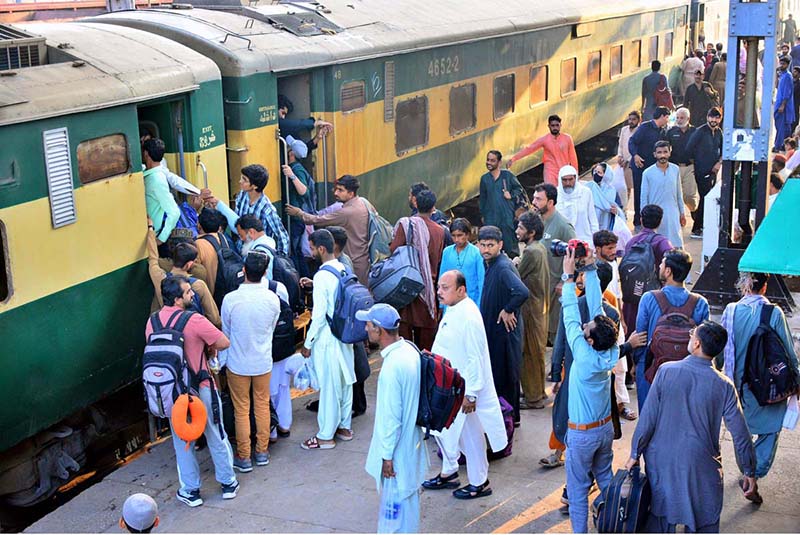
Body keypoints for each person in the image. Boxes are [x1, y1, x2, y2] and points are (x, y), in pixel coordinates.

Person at [626, 320, 758, 532]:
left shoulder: (666, 371)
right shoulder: (724, 385)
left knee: (661, 515)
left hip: (661, 460)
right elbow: (741, 434)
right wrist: (749, 470)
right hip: (701, 463)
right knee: (705, 516)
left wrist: (635, 453)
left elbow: (648, 419)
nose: (689, 337)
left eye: (691, 335)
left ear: (696, 344)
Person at [146, 276, 238, 507]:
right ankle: (228, 484)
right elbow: (224, 342)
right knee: (215, 434)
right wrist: (206, 346)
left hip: (172, 395)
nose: (192, 295)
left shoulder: (153, 322)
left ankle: (191, 491)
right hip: (201, 389)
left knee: (183, 442)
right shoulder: (193, 319)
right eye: (187, 293)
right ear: (177, 299)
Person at [423, 270, 508, 500]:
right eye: (439, 287)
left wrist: (471, 394)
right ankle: (450, 472)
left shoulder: (469, 315)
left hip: (464, 392)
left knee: (470, 437)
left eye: (445, 288)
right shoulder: (453, 308)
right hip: (446, 388)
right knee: (446, 432)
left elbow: (475, 358)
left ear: (461, 290)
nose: (439, 292)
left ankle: (480, 482)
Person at [720, 272, 800, 490]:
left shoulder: (730, 311)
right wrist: (797, 379)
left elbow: (720, 347)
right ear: (765, 287)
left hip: (739, 387)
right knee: (770, 431)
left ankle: (746, 470)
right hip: (769, 388)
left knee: (740, 432)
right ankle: (754, 474)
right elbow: (788, 352)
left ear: (743, 286)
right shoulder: (774, 313)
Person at [560, 247, 619, 534]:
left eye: (587, 331)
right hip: (604, 429)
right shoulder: (611, 349)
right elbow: (596, 312)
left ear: (591, 341)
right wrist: (591, 269)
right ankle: (613, 524)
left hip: (582, 434)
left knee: (578, 491)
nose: (584, 327)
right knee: (605, 479)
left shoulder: (583, 356)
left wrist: (569, 276)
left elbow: (572, 316)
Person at [361, 304, 429, 533]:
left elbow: (391, 418)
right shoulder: (409, 351)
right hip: (411, 449)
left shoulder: (391, 368)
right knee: (408, 513)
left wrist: (386, 456)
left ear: (379, 330)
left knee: (392, 521)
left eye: (369, 325)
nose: (366, 328)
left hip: (397, 457)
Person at [220, 251, 280, 472]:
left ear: (243, 270)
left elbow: (226, 332)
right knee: (262, 406)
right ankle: (262, 452)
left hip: (237, 363)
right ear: (265, 272)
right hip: (263, 361)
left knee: (241, 410)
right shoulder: (272, 299)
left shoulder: (230, 299)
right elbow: (271, 329)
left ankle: (244, 456)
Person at [300, 230, 355, 450]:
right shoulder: (344, 268)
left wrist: (307, 343)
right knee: (344, 382)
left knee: (330, 387)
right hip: (345, 334)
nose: (311, 251)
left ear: (321, 248)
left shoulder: (322, 275)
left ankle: (325, 436)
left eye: (312, 248)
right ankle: (344, 427)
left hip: (328, 338)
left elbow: (320, 314)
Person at [634, 250, 709, 411]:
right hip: (687, 372)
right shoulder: (700, 303)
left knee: (649, 419)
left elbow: (641, 337)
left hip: (651, 369)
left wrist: (638, 366)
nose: (659, 266)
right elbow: (704, 344)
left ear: (668, 271)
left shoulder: (649, 298)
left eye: (662, 263)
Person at [477, 226, 530, 426]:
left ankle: (510, 418)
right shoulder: (490, 264)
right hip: (496, 331)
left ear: (500, 245)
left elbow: (522, 292)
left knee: (507, 375)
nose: (486, 249)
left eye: (490, 245)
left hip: (505, 333)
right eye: (482, 245)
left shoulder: (502, 267)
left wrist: (508, 309)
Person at [286, 175, 371, 285]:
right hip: (363, 258)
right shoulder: (363, 202)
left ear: (351, 193)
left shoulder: (347, 212)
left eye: (340, 190)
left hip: (353, 260)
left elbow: (318, 220)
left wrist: (299, 213)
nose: (336, 193)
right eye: (336, 189)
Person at [391, 189, 445, 351]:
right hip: (427, 294)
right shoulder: (439, 231)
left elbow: (393, 251)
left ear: (415, 203)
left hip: (406, 293)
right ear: (433, 207)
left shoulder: (406, 225)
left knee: (406, 346)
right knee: (426, 348)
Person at [146, 225, 221, 328]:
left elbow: (153, 259)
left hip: (164, 328)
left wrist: (150, 229)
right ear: (188, 264)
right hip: (191, 328)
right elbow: (214, 317)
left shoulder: (159, 277)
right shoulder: (199, 282)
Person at [531, 183, 577, 344]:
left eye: (538, 199)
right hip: (539, 287)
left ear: (550, 203)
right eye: (534, 198)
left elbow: (575, 255)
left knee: (554, 333)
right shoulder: (535, 222)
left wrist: (564, 281)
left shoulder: (563, 226)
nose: (534, 202)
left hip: (555, 289)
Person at [211, 164, 290, 256]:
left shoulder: (267, 209)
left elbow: (282, 236)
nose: (240, 181)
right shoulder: (242, 195)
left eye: (244, 180)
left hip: (257, 254)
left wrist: (280, 257)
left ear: (255, 186)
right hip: (241, 248)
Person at [515, 211, 551, 409]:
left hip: (530, 308)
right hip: (539, 306)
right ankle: (536, 391)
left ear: (531, 232)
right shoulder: (539, 248)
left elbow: (517, 277)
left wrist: (514, 264)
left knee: (529, 352)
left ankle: (533, 397)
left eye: (521, 228)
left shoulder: (530, 252)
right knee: (536, 351)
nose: (517, 231)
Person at [621, 205, 674, 334]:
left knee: (632, 333)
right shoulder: (662, 242)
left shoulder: (632, 241)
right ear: (660, 221)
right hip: (653, 295)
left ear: (641, 219)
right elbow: (673, 259)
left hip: (631, 295)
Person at [505, 114, 579, 186]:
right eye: (552, 126)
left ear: (560, 125)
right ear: (549, 126)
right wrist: (513, 159)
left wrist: (575, 173)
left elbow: (573, 157)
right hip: (550, 171)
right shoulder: (544, 139)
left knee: (564, 194)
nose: (555, 128)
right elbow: (530, 149)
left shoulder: (567, 138)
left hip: (564, 171)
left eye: (557, 125)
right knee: (551, 193)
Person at [629, 107, 669, 228]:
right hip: (640, 166)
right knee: (640, 193)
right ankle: (638, 220)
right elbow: (632, 141)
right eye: (667, 117)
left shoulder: (663, 131)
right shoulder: (645, 127)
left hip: (654, 167)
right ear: (662, 116)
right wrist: (635, 155)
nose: (667, 120)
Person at [480, 150, 525, 257]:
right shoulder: (485, 179)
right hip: (491, 218)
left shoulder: (507, 176)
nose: (489, 163)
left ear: (499, 163)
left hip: (507, 218)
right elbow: (483, 199)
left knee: (510, 248)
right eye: (488, 160)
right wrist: (483, 215)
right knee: (492, 247)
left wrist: (511, 195)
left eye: (492, 160)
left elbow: (519, 189)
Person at [641, 141, 686, 248]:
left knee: (676, 245)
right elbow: (644, 197)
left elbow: (679, 193)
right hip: (655, 216)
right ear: (654, 154)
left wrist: (682, 212)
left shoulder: (675, 169)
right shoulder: (648, 173)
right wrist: (643, 216)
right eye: (659, 152)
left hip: (673, 214)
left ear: (670, 153)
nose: (662, 155)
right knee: (657, 244)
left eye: (665, 152)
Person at [688, 107, 724, 239]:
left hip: (713, 171)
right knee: (705, 198)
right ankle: (697, 228)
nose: (713, 120)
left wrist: (719, 162)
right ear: (707, 117)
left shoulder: (719, 132)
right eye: (711, 117)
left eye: (716, 117)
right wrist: (697, 163)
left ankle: (699, 222)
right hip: (701, 171)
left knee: (707, 198)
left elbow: (724, 149)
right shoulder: (700, 131)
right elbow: (689, 148)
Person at [282, 135, 314, 278]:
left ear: (292, 154)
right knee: (297, 252)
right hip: (295, 220)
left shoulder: (297, 169)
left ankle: (299, 281)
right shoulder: (297, 167)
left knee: (294, 252)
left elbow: (304, 191)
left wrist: (292, 176)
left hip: (295, 220)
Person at [142, 138, 181, 244]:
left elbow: (174, 212)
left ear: (146, 154)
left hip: (152, 235)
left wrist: (160, 239)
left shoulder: (157, 179)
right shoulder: (149, 173)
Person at [439, 218, 484, 306]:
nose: (456, 239)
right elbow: (442, 277)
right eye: (453, 236)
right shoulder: (447, 252)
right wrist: (441, 303)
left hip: (471, 300)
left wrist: (479, 305)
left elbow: (481, 280)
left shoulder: (476, 253)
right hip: (450, 300)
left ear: (467, 235)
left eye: (460, 235)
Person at [666, 107, 699, 213]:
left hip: (690, 167)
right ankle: (679, 218)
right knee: (674, 196)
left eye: (682, 118)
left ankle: (695, 215)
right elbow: (664, 148)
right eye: (677, 117)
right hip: (675, 167)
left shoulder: (696, 132)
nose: (679, 120)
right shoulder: (671, 132)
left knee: (689, 196)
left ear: (688, 118)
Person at [556, 165, 598, 244]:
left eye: (570, 179)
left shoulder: (585, 192)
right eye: (564, 180)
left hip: (584, 240)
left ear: (575, 178)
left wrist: (595, 240)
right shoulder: (556, 194)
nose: (568, 183)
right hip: (563, 242)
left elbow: (592, 218)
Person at [235, 215, 277, 284]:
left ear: (251, 232)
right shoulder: (268, 243)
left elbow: (266, 280)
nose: (241, 239)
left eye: (241, 235)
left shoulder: (260, 253)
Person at [683, 71, 720, 143]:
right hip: (694, 115)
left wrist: (710, 93)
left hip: (706, 114)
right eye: (696, 75)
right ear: (694, 76)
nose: (698, 77)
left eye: (700, 75)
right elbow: (685, 103)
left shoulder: (707, 85)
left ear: (703, 76)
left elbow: (716, 95)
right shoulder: (690, 88)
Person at [585, 162, 622, 231]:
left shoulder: (612, 191)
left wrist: (616, 211)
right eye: (595, 172)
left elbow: (619, 208)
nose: (595, 174)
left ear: (606, 175)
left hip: (606, 226)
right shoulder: (588, 187)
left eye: (599, 172)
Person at [617, 111, 641, 206]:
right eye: (630, 119)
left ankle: (629, 207)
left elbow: (637, 148)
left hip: (632, 162)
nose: (631, 121)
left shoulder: (640, 131)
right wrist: (619, 155)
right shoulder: (624, 130)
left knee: (630, 186)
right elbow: (621, 144)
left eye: (633, 119)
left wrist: (627, 160)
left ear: (639, 120)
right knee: (622, 186)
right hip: (622, 162)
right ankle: (623, 206)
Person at [774, 56, 796, 153]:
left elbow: (787, 93)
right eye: (781, 63)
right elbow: (776, 86)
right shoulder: (782, 75)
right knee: (780, 127)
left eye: (783, 64)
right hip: (779, 104)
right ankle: (781, 145)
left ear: (787, 65)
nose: (781, 65)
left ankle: (779, 145)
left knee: (782, 127)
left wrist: (783, 105)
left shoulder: (788, 76)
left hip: (784, 107)